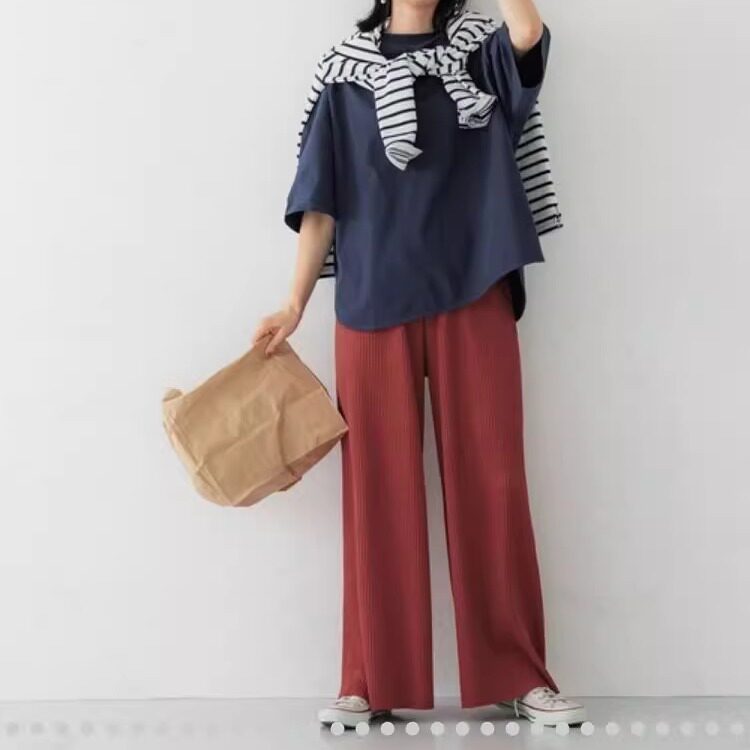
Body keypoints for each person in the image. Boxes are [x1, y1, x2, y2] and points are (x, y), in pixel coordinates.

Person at [253, 0, 586, 729]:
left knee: (493, 481)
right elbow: (321, 203)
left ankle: (519, 674)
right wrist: (294, 303)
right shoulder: (344, 74)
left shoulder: (481, 54)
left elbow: (527, 32)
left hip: (475, 286)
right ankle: (370, 678)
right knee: (376, 491)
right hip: (372, 299)